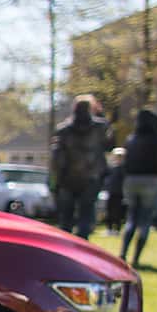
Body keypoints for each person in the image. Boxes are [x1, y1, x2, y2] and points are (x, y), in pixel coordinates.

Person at [49, 95, 109, 239]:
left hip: (67, 178)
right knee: (86, 214)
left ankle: (64, 248)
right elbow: (107, 146)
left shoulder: (63, 130)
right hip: (90, 177)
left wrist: (56, 179)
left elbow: (57, 157)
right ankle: (82, 245)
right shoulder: (100, 127)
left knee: (66, 218)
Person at [120, 108, 157, 269]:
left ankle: (123, 253)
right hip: (150, 180)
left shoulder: (131, 139)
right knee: (145, 220)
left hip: (131, 180)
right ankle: (136, 258)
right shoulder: (155, 139)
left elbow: (125, 163)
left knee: (131, 218)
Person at [102, 147, 127, 232]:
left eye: (120, 156)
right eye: (117, 156)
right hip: (110, 192)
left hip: (120, 193)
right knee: (109, 210)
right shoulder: (110, 168)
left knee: (118, 212)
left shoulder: (124, 169)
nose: (118, 158)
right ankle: (109, 228)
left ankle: (117, 228)